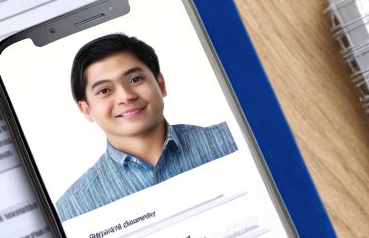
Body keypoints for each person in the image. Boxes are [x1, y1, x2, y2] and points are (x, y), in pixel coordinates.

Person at [54, 33, 237, 220]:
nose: (126, 96)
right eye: (104, 90)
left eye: (135, 80)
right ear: (86, 110)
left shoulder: (234, 140)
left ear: (160, 84)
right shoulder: (72, 210)